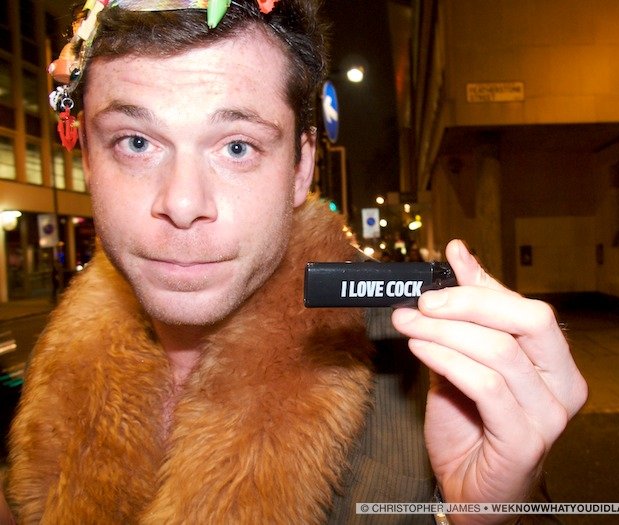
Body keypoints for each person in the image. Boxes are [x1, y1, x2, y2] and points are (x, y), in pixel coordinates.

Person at [0, 0, 587, 523]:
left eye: (237, 147)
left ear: (301, 168)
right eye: (136, 142)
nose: (182, 204)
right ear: (87, 158)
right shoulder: (47, 382)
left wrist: (485, 518)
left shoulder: (420, 369)